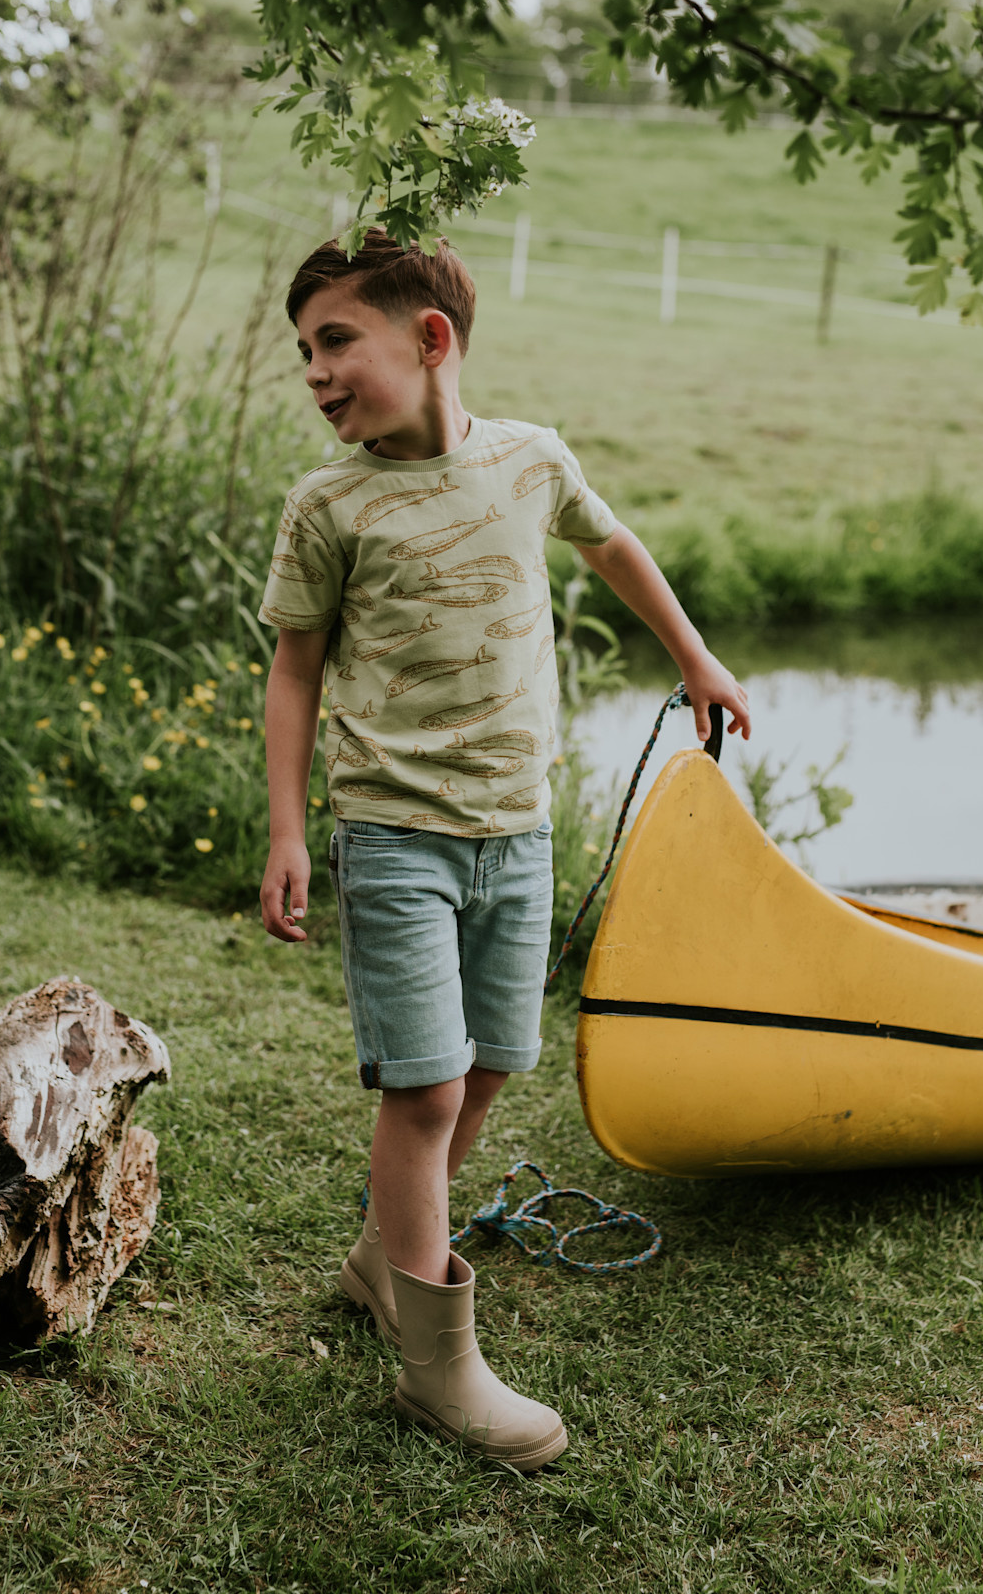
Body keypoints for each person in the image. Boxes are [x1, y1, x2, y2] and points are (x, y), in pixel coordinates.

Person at [258, 230, 751, 1471]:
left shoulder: (532, 460)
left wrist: (692, 655)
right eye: (303, 349)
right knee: (421, 1088)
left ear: (428, 340)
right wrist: (283, 830)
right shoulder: (329, 502)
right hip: (393, 833)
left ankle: (385, 1256)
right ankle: (440, 1367)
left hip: (516, 828)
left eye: (335, 340)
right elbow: (295, 666)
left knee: (487, 1066)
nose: (315, 371)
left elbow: (612, 543)